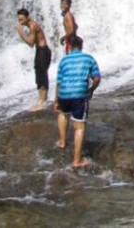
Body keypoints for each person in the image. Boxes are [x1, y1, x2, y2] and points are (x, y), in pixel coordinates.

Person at [54, 34, 101, 169]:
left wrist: (56, 100)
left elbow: (59, 82)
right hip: (79, 94)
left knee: (62, 113)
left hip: (63, 94)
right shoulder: (88, 59)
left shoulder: (63, 61)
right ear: (81, 46)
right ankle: (77, 160)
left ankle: (62, 142)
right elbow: (97, 78)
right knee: (79, 126)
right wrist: (91, 89)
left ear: (69, 47)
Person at [16, 7, 51, 111]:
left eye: (22, 19)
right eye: (19, 20)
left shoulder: (32, 25)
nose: (20, 22)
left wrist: (21, 33)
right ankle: (41, 99)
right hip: (41, 51)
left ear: (28, 17)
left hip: (43, 51)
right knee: (39, 75)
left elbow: (31, 43)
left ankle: (42, 101)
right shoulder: (31, 24)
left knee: (41, 76)